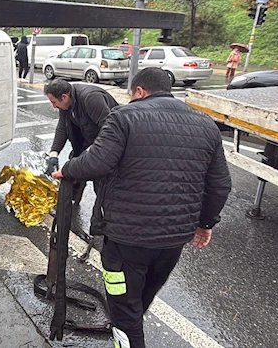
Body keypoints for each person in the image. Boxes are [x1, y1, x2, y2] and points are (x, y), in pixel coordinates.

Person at [52, 68, 232, 348]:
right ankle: (130, 323)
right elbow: (220, 184)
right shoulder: (206, 124)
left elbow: (96, 163)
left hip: (127, 239)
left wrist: (66, 169)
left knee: (122, 303)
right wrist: (205, 223)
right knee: (143, 295)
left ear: (139, 91)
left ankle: (126, 333)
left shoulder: (124, 117)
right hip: (173, 241)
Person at [43, 79, 118, 207]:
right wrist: (53, 154)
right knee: (72, 173)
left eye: (54, 102)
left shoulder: (91, 98)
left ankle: (105, 213)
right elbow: (62, 128)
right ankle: (70, 204)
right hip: (84, 141)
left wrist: (89, 153)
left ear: (64, 97)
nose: (54, 106)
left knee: (101, 183)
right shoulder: (65, 104)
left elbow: (110, 131)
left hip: (105, 146)